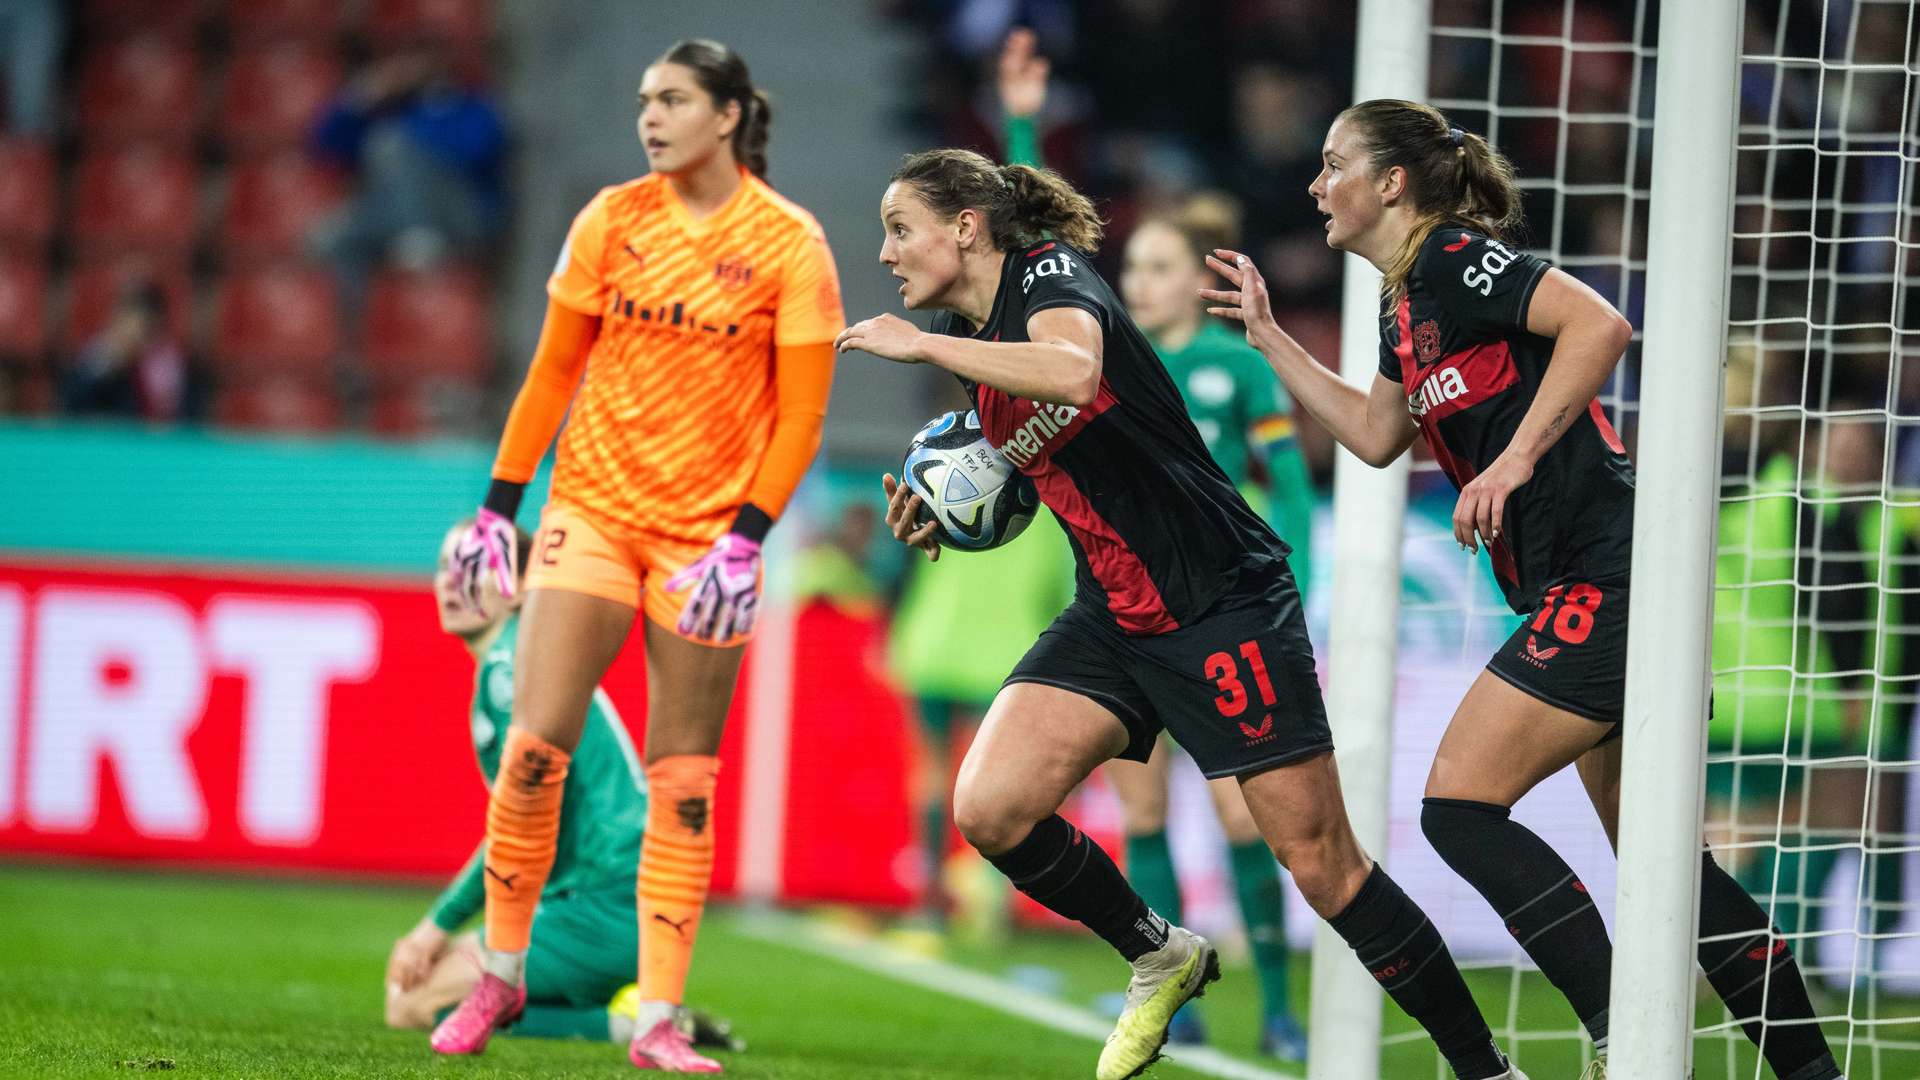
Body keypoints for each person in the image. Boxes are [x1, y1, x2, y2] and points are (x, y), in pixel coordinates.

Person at [837, 148, 1525, 1080]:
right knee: (991, 806)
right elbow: (1056, 465)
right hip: (1114, 613)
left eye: (899, 228)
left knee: (1325, 868)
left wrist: (919, 344)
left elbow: (1077, 374)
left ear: (966, 227)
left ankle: (1485, 1069)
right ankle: (1162, 952)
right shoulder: (978, 350)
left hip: (1218, 598)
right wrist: (949, 511)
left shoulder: (1049, 275)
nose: (885, 253)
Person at [1203, 97, 1843, 1080]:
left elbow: (1601, 324)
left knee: (1460, 807)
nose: (1313, 185)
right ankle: (1810, 1072)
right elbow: (1377, 440)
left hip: (1606, 572)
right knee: (1666, 860)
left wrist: (1511, 462)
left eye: (1334, 166)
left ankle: (1615, 1032)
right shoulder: (1401, 303)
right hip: (1588, 583)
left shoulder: (1458, 260)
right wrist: (1270, 340)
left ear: (1391, 184)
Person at [432, 39, 843, 1074]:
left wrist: (747, 541)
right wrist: (497, 509)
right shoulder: (610, 220)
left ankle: (655, 1019)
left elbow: (802, 416)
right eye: (642, 101)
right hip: (595, 515)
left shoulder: (790, 244)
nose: (649, 117)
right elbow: (549, 374)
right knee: (535, 748)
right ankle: (500, 974)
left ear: (727, 116)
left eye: (671, 100)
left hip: (707, 544)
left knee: (685, 779)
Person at [995, 29, 1313, 1058]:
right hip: (1125, 611)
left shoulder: (1231, 367)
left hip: (1218, 604)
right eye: (1132, 265)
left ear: (1195, 279)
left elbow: (1290, 488)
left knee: (1239, 820)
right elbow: (1019, 241)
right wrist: (1021, 125)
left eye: (1159, 266)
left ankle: (1276, 1003)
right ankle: (1189, 991)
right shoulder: (1102, 354)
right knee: (1142, 813)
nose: (1138, 281)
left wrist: (1292, 587)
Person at [386, 521, 741, 1056]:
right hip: (604, 904)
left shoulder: (510, 674)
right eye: (443, 568)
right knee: (416, 990)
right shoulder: (520, 661)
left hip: (604, 910)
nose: (449, 583)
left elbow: (523, 823)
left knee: (409, 1002)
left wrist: (432, 928)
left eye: (471, 569)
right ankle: (635, 1012)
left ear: (519, 588)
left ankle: (624, 1024)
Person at [57, 279, 198, 423]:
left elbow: (178, 416)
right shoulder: (100, 351)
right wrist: (111, 363)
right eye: (126, 317)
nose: (131, 330)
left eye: (142, 322)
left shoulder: (166, 361)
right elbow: (71, 403)